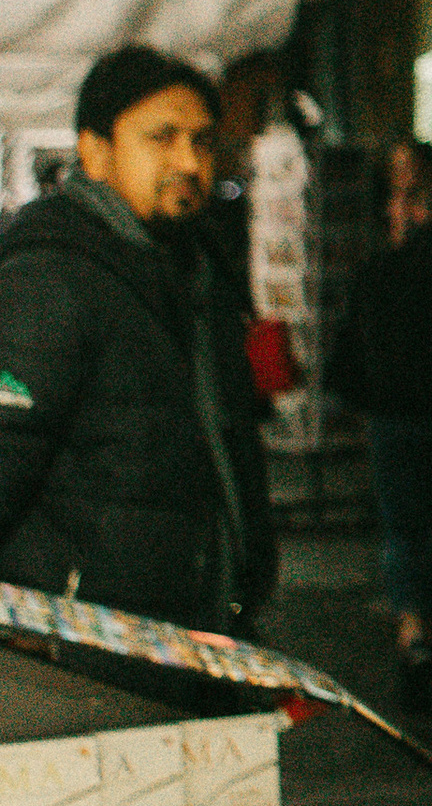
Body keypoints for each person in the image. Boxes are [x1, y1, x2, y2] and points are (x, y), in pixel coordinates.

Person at [0, 45, 273, 628]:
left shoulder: (197, 275)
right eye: (162, 138)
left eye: (202, 141)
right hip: (89, 643)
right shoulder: (49, 279)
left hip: (196, 626)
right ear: (95, 153)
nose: (190, 162)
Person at [325, 139, 432, 713]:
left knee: (404, 528)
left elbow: (350, 348)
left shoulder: (382, 269)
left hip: (394, 420)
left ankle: (413, 634)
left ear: (416, 211)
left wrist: (361, 399)